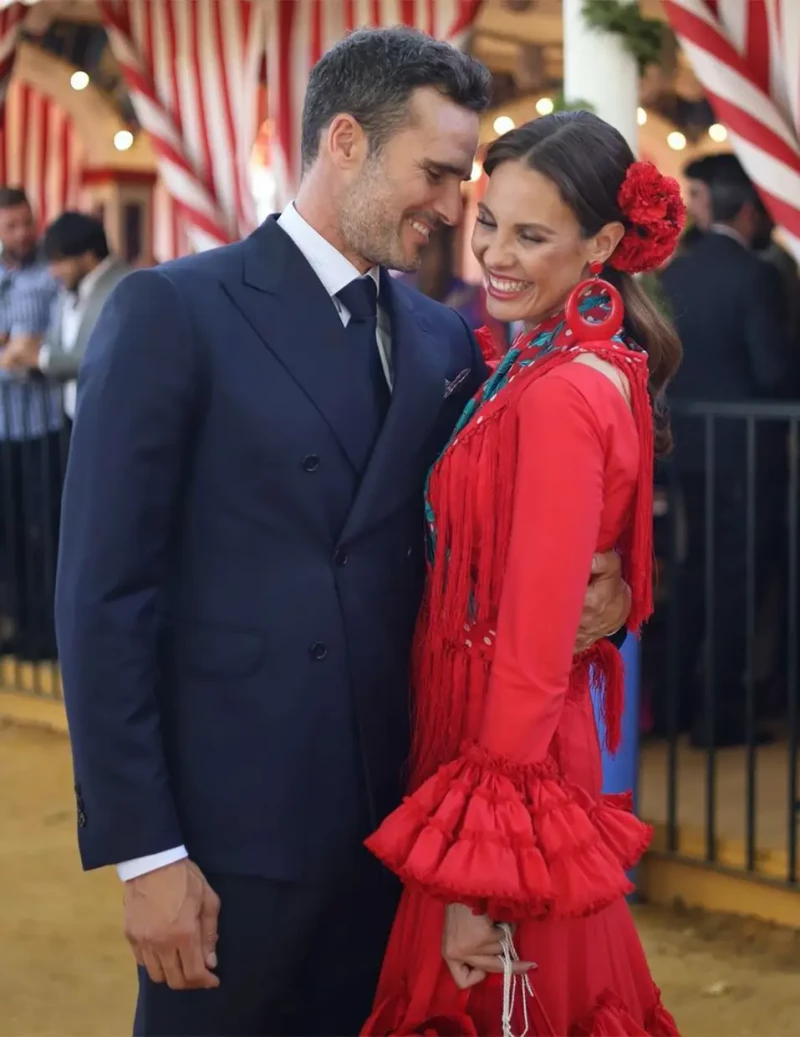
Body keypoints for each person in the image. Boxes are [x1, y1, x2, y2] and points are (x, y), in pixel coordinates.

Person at [56, 30, 631, 1037]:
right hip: (234, 840)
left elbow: (489, 545)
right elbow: (101, 598)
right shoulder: (174, 310)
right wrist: (147, 854)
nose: (454, 208)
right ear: (348, 142)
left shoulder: (445, 338)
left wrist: (611, 592)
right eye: (439, 173)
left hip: (398, 834)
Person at [363, 111, 684, 1036]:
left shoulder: (563, 390)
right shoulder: (561, 362)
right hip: (510, 747)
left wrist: (482, 878)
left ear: (607, 245)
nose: (496, 253)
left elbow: (543, 632)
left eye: (532, 234)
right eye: (489, 221)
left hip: (510, 761)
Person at [660, 157, 793, 746]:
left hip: (690, 447)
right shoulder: (755, 274)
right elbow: (770, 369)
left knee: (694, 573)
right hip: (745, 453)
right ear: (750, 210)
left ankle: (676, 708)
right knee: (739, 579)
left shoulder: (675, 273)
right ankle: (722, 719)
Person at [0, 187, 63, 660]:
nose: (22, 233)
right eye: (12, 226)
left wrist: (27, 348)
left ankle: (49, 630)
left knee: (46, 531)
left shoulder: (52, 273)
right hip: (3, 428)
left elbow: (61, 341)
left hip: (43, 427)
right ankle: (18, 625)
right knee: (11, 532)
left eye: (27, 222)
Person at [36, 211, 131, 424]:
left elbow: (102, 358)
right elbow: (56, 339)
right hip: (75, 418)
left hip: (112, 419)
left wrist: (39, 357)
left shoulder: (124, 287)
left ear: (88, 256)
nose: (53, 272)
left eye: (59, 262)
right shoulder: (68, 289)